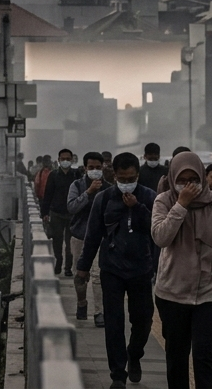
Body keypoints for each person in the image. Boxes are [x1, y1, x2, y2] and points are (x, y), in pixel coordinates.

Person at [151, 151, 212, 389]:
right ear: (173, 179)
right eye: (181, 180)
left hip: (211, 292)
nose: (188, 185)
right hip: (173, 293)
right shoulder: (164, 201)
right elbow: (161, 238)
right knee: (176, 357)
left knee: (206, 358)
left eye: (193, 180)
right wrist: (181, 205)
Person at [76, 152, 157, 389]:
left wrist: (138, 207)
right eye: (122, 179)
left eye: (131, 178)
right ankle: (117, 374)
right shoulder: (104, 199)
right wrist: (82, 267)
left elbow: (158, 231)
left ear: (138, 175)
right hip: (111, 268)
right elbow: (92, 236)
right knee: (113, 323)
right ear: (115, 176)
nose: (126, 183)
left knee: (143, 320)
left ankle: (135, 354)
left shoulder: (150, 197)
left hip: (141, 269)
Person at [67, 151, 111, 326]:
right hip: (79, 236)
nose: (95, 171)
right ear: (85, 168)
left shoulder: (108, 188)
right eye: (91, 167)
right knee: (80, 275)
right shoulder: (77, 185)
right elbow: (71, 207)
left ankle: (99, 312)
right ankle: (81, 303)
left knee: (98, 275)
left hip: (101, 238)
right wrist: (88, 192)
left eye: (98, 168)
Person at [41, 148, 81, 276]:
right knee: (57, 240)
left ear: (72, 159)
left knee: (70, 243)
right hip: (56, 213)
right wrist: (44, 213)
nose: (65, 161)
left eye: (68, 159)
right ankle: (58, 261)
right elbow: (48, 194)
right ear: (58, 160)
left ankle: (68, 267)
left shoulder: (77, 175)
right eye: (63, 159)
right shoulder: (53, 175)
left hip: (72, 214)